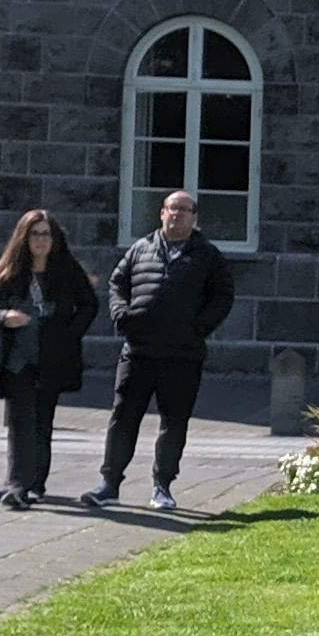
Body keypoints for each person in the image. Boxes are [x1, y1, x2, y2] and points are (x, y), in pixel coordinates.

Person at [90, 189, 234, 515]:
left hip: (182, 355)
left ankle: (163, 486)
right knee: (123, 418)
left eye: (185, 210)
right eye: (172, 208)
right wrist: (121, 315)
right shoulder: (141, 248)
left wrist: (199, 327)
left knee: (174, 423)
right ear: (162, 213)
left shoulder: (208, 256)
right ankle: (109, 484)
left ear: (195, 218)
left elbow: (223, 296)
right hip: (138, 351)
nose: (177, 215)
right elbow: (117, 283)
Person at [0, 209, 99, 511]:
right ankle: (17, 484)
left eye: (46, 234)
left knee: (42, 422)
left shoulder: (67, 271)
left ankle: (36, 482)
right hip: (18, 359)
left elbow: (89, 304)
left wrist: (69, 333)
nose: (41, 240)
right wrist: (6, 317)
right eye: (35, 234)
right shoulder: (10, 272)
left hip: (52, 359)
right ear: (24, 237)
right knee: (20, 422)